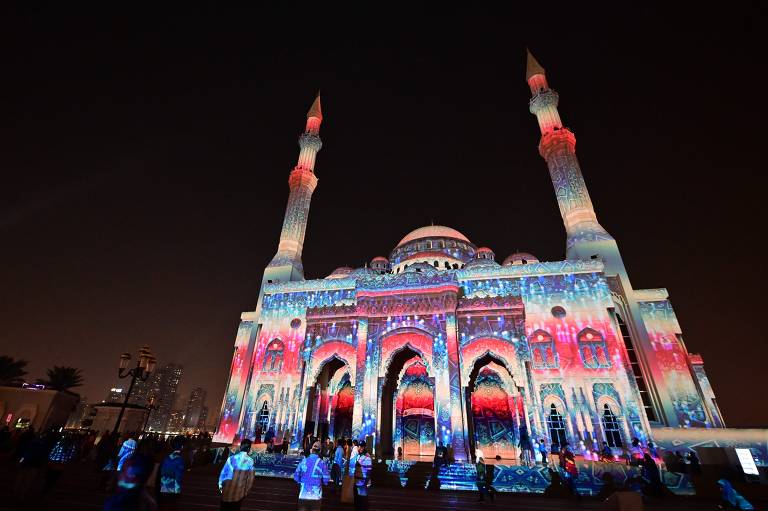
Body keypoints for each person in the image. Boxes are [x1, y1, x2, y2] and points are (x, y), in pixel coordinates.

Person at [218, 439, 255, 511]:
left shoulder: (231, 458)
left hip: (226, 493)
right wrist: (245, 492)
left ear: (240, 447)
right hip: (238, 494)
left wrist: (221, 489)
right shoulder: (250, 461)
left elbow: (222, 475)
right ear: (249, 449)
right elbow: (250, 480)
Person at [293, 442, 329, 511]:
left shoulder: (304, 461)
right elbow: (326, 480)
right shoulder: (322, 463)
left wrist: (300, 481)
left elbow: (296, 477)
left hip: (303, 494)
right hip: (315, 495)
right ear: (320, 451)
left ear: (311, 450)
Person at [158, 436, 185, 511]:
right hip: (172, 489)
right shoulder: (180, 460)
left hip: (163, 487)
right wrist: (178, 490)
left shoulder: (167, 458)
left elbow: (162, 472)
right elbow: (178, 477)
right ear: (182, 447)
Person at [353, 441, 372, 511]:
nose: (360, 448)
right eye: (359, 446)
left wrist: (365, 483)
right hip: (356, 481)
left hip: (362, 482)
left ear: (365, 447)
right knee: (357, 501)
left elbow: (369, 471)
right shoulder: (357, 456)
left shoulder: (367, 457)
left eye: (362, 446)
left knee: (362, 501)